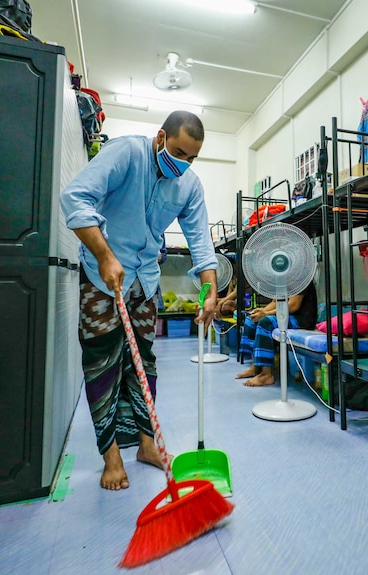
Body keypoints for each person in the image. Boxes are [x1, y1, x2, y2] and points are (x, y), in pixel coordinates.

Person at [60, 111, 218, 490]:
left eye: (192, 158)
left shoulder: (188, 185)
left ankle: (147, 444)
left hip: (144, 281)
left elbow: (200, 240)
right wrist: (103, 254)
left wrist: (209, 290)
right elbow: (75, 197)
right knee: (102, 364)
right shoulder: (126, 154)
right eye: (179, 152)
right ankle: (111, 456)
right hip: (103, 276)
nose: (184, 164)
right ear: (161, 137)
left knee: (143, 364)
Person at [235, 281, 317, 387]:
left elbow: (293, 306)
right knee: (250, 320)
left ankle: (266, 375)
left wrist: (265, 314)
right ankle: (255, 367)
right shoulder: (281, 277)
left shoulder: (300, 278)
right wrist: (261, 312)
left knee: (265, 322)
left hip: (300, 319)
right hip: (285, 316)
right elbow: (275, 302)